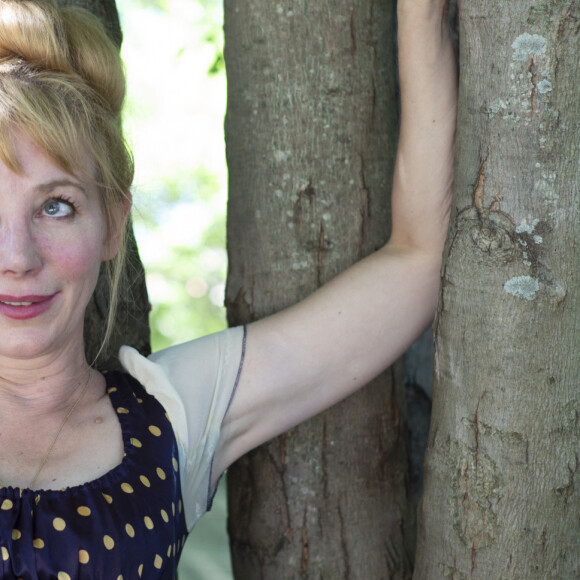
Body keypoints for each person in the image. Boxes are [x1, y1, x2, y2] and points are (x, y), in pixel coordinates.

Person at [0, 0, 457, 577]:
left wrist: (422, 13)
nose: (17, 256)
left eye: (56, 206)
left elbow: (418, 260)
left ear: (114, 223)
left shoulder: (168, 417)